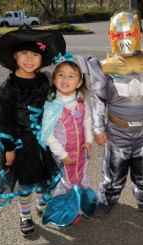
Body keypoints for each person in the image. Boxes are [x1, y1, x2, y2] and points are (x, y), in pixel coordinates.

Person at [0, 29, 66, 236]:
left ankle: (43, 206)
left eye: (35, 54)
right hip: (19, 145)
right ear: (15, 56)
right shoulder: (9, 87)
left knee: (43, 177)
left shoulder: (45, 81)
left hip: (43, 142)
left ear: (42, 58)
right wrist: (8, 148)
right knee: (25, 182)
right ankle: (25, 214)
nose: (29, 59)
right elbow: (3, 120)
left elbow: (54, 106)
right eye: (24, 53)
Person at [85, 12, 143, 217]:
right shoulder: (103, 68)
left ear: (139, 33)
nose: (125, 38)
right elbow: (97, 100)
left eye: (130, 32)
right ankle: (108, 199)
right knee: (114, 171)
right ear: (111, 36)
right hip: (117, 131)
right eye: (119, 34)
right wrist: (98, 128)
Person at [40, 51, 97, 227]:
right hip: (63, 155)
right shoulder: (52, 106)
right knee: (64, 181)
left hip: (80, 152)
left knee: (79, 177)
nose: (65, 79)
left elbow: (88, 122)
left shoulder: (81, 101)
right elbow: (47, 134)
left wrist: (88, 141)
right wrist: (62, 154)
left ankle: (78, 204)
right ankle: (63, 213)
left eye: (71, 76)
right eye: (61, 75)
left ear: (79, 82)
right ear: (54, 79)